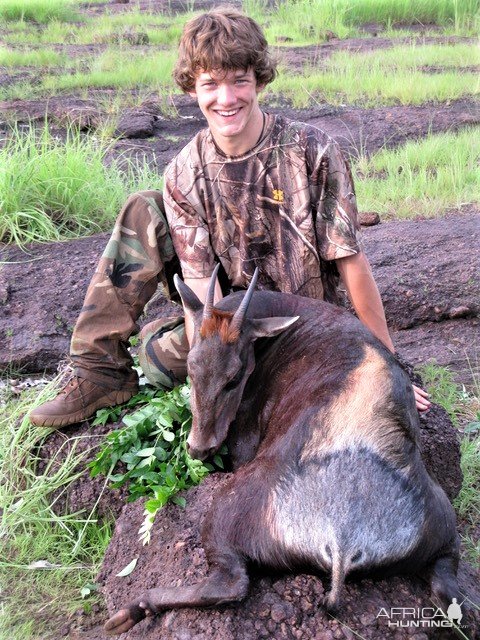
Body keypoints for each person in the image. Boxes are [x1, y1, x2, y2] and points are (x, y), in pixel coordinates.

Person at [29, 7, 430, 429]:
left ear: (259, 79)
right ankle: (100, 375)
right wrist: (212, 378)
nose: (226, 99)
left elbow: (350, 260)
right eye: (211, 84)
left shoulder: (313, 151)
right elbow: (206, 291)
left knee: (160, 354)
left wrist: (386, 362)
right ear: (192, 89)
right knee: (155, 347)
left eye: (240, 81)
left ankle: (161, 336)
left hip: (302, 323)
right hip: (229, 324)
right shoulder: (184, 172)